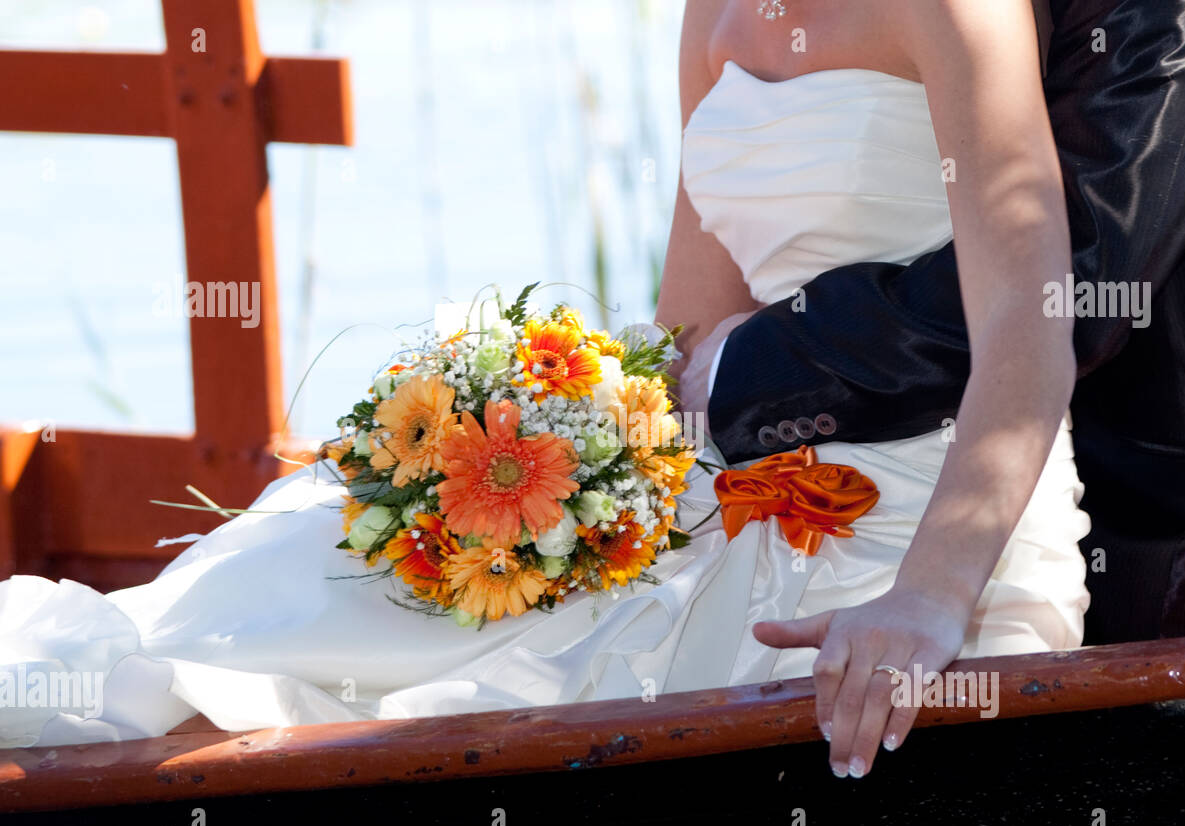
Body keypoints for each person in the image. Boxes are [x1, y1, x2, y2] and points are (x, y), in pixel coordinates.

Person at [0, 0, 1088, 781]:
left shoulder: (960, 10)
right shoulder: (712, 16)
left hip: (917, 509)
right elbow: (686, 332)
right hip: (735, 471)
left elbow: (1029, 334)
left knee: (462, 676)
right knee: (325, 567)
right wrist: (532, 438)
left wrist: (930, 598)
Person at [685, 0, 1185, 658]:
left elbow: (1078, 283)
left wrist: (742, 373)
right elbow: (686, 324)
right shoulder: (711, 17)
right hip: (751, 505)